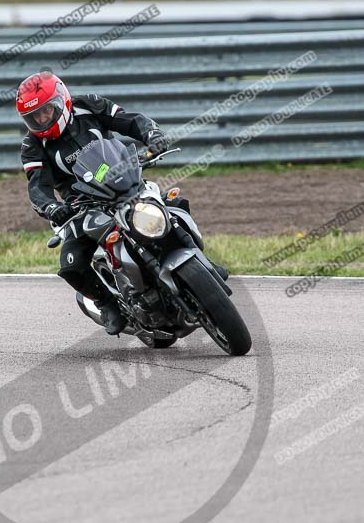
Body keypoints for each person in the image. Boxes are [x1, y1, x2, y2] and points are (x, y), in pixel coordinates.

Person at [18, 69, 227, 335]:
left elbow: (130, 121)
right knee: (71, 264)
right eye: (34, 117)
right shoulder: (32, 146)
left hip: (122, 178)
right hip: (81, 204)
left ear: (62, 100)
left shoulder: (88, 106)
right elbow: (37, 187)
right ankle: (107, 304)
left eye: (46, 111)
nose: (42, 119)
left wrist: (152, 135)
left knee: (173, 204)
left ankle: (202, 263)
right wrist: (52, 207)